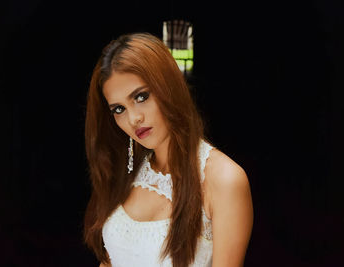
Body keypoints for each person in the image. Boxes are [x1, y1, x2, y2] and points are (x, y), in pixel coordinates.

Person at [83, 32, 254, 267]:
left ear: (168, 86)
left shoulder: (224, 180)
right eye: (119, 109)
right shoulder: (127, 169)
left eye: (141, 96)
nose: (134, 118)